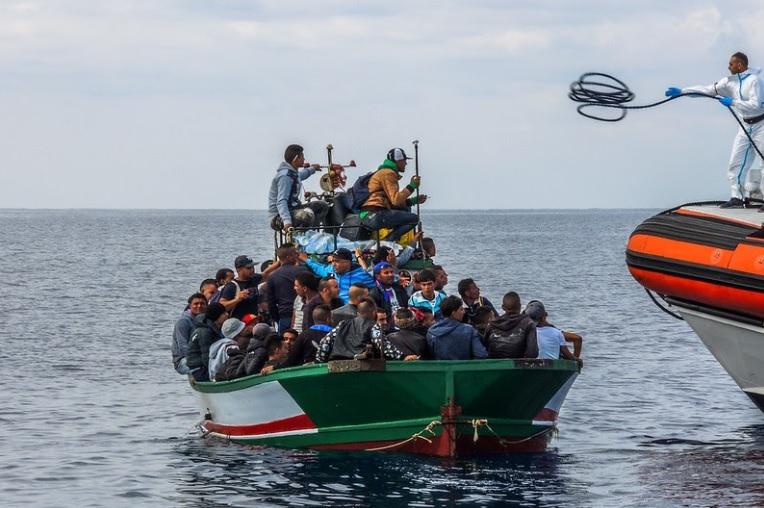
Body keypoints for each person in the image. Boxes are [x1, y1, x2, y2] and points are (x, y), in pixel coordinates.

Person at [666, 52, 764, 209]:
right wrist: (683, 92)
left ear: (739, 65)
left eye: (731, 64)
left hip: (761, 124)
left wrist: (733, 102)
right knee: (736, 162)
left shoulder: (754, 81)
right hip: (745, 126)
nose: (728, 67)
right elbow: (708, 90)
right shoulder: (728, 82)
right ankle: (737, 197)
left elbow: (755, 105)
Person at [359, 148, 428, 241]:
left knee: (404, 211)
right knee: (414, 219)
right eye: (404, 161)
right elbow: (396, 201)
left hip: (370, 214)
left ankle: (388, 242)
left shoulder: (383, 172)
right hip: (374, 215)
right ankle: (387, 241)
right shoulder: (388, 173)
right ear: (398, 161)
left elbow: (393, 203)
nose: (406, 164)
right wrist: (411, 186)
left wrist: (413, 201)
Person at [316, 299, 413, 362]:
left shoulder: (343, 324)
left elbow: (325, 341)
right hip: (361, 364)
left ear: (358, 313)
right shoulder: (373, 326)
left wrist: (319, 361)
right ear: (374, 312)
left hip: (337, 363)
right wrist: (402, 357)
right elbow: (381, 342)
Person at [268, 144, 328, 230]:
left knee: (322, 206)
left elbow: (301, 175)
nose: (304, 159)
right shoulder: (285, 177)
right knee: (306, 215)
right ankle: (301, 235)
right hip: (278, 217)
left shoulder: (292, 174)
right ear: (296, 158)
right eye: (302, 157)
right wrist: (287, 222)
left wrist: (313, 169)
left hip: (293, 210)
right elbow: (281, 201)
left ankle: (313, 233)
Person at [300, 247, 375, 304]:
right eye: (333, 261)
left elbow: (376, 288)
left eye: (337, 261)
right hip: (334, 308)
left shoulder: (361, 275)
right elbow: (319, 268)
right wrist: (306, 260)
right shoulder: (331, 271)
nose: (333, 264)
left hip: (352, 311)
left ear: (348, 262)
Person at [426, 296, 488, 360]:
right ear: (453, 313)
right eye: (461, 309)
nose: (464, 312)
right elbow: (481, 355)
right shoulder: (469, 330)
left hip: (440, 366)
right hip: (463, 365)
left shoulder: (431, 332)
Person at [267, 243, 310, 333]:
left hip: (284, 316)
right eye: (295, 254)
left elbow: (271, 304)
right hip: (301, 314)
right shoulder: (303, 271)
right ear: (288, 257)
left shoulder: (272, 276)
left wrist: (278, 319)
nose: (297, 256)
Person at [524, 301, 582, 366]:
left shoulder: (524, 332)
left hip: (530, 365)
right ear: (544, 316)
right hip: (551, 365)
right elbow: (577, 339)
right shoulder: (557, 332)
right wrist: (576, 361)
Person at [484, 292, 538, 359]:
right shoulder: (528, 323)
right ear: (520, 306)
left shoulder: (492, 324)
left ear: (503, 307)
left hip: (495, 363)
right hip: (517, 364)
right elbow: (532, 353)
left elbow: (485, 347)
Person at [186, 302, 229, 381]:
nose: (227, 315)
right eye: (223, 313)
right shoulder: (204, 332)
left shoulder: (215, 328)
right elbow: (207, 357)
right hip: (199, 370)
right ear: (216, 316)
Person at [172, 293, 207, 374]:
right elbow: (183, 347)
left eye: (202, 304)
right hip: (183, 360)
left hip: (201, 357)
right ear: (190, 306)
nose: (199, 306)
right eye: (196, 304)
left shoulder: (205, 320)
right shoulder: (183, 322)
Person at [369, 261, 409, 325]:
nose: (390, 275)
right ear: (378, 276)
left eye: (391, 272)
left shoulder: (399, 288)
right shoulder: (375, 293)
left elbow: (407, 304)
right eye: (386, 273)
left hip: (405, 321)